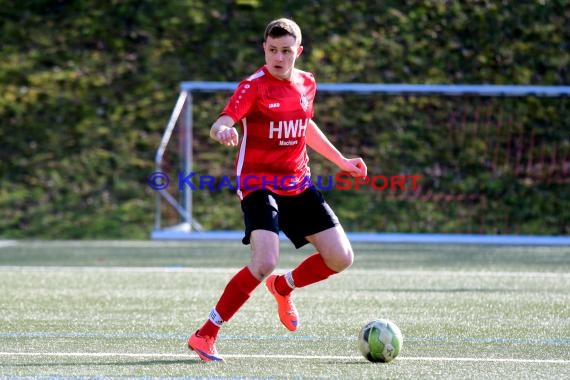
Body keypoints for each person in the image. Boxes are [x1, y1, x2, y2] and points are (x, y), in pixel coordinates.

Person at [187, 17, 367, 361]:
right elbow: (222, 121)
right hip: (257, 183)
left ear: (298, 51)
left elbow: (305, 126)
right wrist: (222, 130)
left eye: (286, 51)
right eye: (272, 50)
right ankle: (205, 334)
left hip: (298, 182)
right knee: (265, 260)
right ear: (264, 49)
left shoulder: (307, 83)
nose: (279, 58)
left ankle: (284, 287)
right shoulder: (252, 86)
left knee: (341, 258)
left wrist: (342, 161)